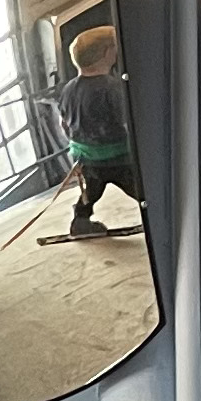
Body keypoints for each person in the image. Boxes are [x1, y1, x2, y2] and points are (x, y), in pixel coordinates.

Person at [56, 24, 143, 240]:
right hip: (118, 157)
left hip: (86, 159)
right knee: (142, 190)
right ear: (107, 53)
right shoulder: (113, 88)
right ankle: (160, 215)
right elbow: (127, 123)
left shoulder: (68, 89)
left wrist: (77, 148)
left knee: (91, 191)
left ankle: (80, 222)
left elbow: (63, 123)